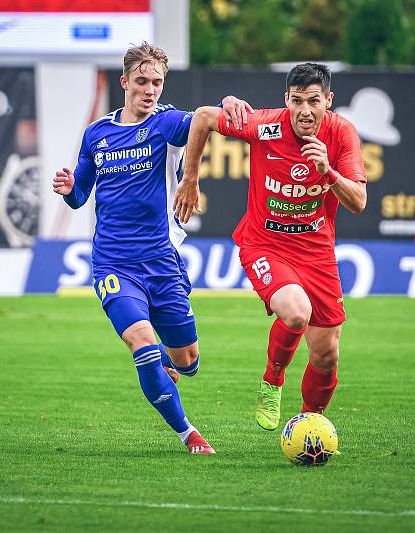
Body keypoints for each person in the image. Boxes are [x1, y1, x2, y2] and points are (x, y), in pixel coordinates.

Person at [52, 42, 251, 453]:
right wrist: (71, 190)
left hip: (161, 262)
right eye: (141, 81)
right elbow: (81, 195)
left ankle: (166, 359)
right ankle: (188, 433)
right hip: (113, 264)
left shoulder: (166, 123)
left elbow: (207, 119)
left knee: (188, 363)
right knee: (141, 344)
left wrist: (227, 102)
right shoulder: (97, 134)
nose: (149, 90)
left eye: (157, 82)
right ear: (124, 82)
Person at [174, 63, 367, 431]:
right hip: (264, 244)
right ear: (286, 100)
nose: (305, 111)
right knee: (296, 313)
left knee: (327, 355)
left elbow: (358, 201)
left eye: (314, 101)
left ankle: (311, 426)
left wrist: (329, 172)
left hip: (317, 253)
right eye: (297, 101)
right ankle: (272, 379)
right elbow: (202, 118)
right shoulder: (265, 125)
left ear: (329, 100)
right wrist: (191, 178)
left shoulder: (342, 134)